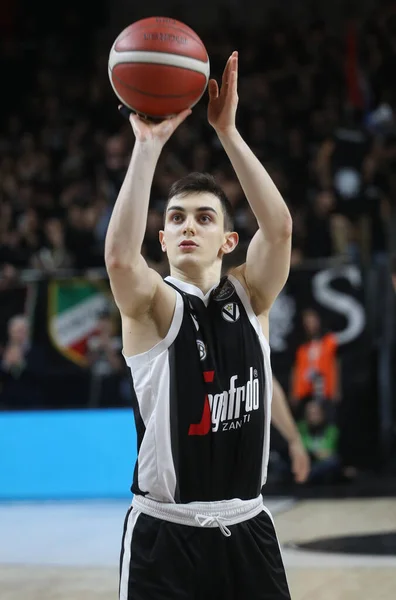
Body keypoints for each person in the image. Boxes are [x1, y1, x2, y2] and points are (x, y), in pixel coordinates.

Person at [106, 52, 295, 600]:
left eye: (204, 217)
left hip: (248, 526)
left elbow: (278, 229)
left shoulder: (250, 295)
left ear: (228, 241)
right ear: (161, 240)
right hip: (167, 538)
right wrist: (147, 147)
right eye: (176, 218)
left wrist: (229, 133)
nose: (189, 225)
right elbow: (120, 261)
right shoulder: (155, 306)